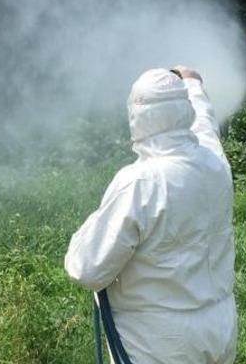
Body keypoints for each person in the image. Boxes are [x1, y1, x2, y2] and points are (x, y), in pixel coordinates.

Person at [65, 66, 237, 363]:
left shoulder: (138, 182)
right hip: (219, 328)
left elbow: (87, 269)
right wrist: (193, 84)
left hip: (160, 341)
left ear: (137, 117)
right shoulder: (214, 164)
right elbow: (206, 125)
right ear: (184, 111)